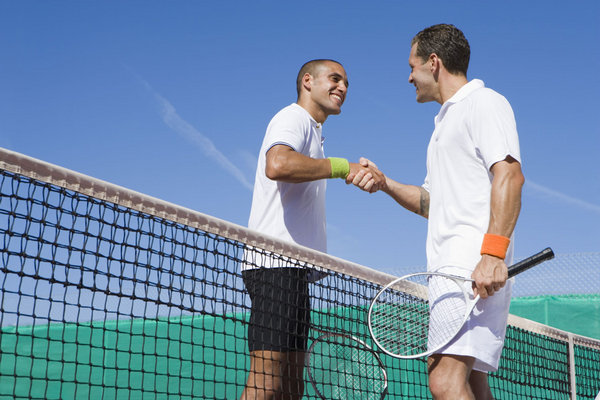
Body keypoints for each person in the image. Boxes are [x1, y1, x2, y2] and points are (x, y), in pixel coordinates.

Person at [352, 24, 525, 399]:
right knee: (472, 384)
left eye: (412, 66)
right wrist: (386, 184)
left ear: (434, 63)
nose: (409, 76)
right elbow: (432, 203)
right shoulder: (443, 126)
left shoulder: (483, 103)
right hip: (455, 270)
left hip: (471, 267)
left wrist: (492, 255)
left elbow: (510, 175)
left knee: (444, 382)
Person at [240, 59, 383, 400]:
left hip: (294, 271)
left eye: (347, 83)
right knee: (266, 383)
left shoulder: (315, 133)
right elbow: (277, 164)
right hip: (274, 264)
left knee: (291, 386)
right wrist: (341, 167)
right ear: (307, 81)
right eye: (335, 79)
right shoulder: (293, 118)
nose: (343, 88)